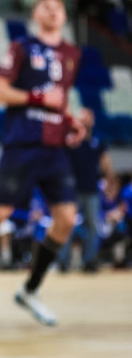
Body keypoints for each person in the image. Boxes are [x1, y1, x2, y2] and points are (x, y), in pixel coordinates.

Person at [0, 0, 85, 330]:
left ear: (65, 15)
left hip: (54, 149)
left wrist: (71, 122)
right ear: (36, 13)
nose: (52, 9)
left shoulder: (72, 54)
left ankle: (30, 289)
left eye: (58, 5)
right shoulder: (21, 47)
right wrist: (38, 97)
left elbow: (60, 98)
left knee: (66, 219)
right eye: (46, 5)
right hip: (21, 144)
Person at [59, 109, 115, 272]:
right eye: (82, 119)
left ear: (93, 122)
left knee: (92, 225)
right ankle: (63, 262)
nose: (85, 122)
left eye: (88, 119)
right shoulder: (70, 141)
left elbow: (106, 163)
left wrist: (111, 181)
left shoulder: (97, 142)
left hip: (91, 190)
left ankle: (90, 261)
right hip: (71, 190)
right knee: (67, 225)